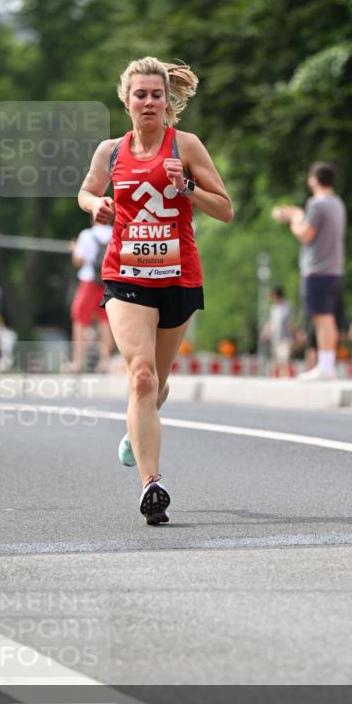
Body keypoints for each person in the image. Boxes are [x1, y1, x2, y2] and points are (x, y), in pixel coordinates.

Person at [77, 56, 233, 525]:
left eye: (156, 95)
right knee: (141, 377)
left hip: (179, 280)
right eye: (140, 95)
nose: (149, 102)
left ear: (168, 102)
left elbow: (225, 209)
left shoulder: (185, 145)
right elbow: (84, 192)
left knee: (157, 386)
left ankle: (135, 431)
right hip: (125, 279)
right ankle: (152, 486)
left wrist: (185, 187)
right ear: (126, 101)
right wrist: (96, 204)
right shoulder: (110, 152)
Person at [272, 161, 346, 381]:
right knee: (328, 317)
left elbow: (306, 234)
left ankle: (324, 366)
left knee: (320, 318)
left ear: (314, 179)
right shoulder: (337, 203)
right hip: (334, 268)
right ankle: (327, 363)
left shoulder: (317, 204)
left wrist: (294, 219)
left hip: (316, 269)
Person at [69, 221, 114, 372]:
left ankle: (78, 362)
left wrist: (74, 249)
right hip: (108, 283)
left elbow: (78, 261)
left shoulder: (87, 235)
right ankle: (104, 363)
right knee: (105, 322)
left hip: (88, 283)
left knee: (80, 320)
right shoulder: (115, 233)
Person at [261, 286, 295, 377]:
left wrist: (294, 336)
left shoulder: (287, 307)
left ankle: (285, 378)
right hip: (275, 338)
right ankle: (279, 379)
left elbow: (290, 322)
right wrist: (266, 332)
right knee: (276, 362)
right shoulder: (274, 308)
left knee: (283, 359)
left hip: (285, 338)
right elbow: (271, 322)